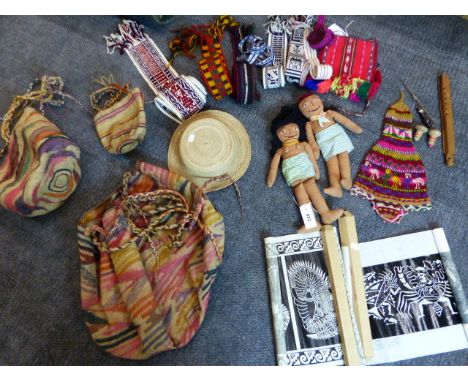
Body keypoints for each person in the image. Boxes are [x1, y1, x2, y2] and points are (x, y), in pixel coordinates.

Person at [267, 105, 343, 226]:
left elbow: (312, 159)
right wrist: (271, 178)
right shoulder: (280, 151)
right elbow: (273, 166)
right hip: (294, 176)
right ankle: (310, 223)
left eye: (293, 128)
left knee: (314, 192)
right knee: (300, 193)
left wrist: (316, 170)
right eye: (284, 131)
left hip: (307, 172)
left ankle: (326, 214)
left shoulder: (303, 145)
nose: (290, 132)